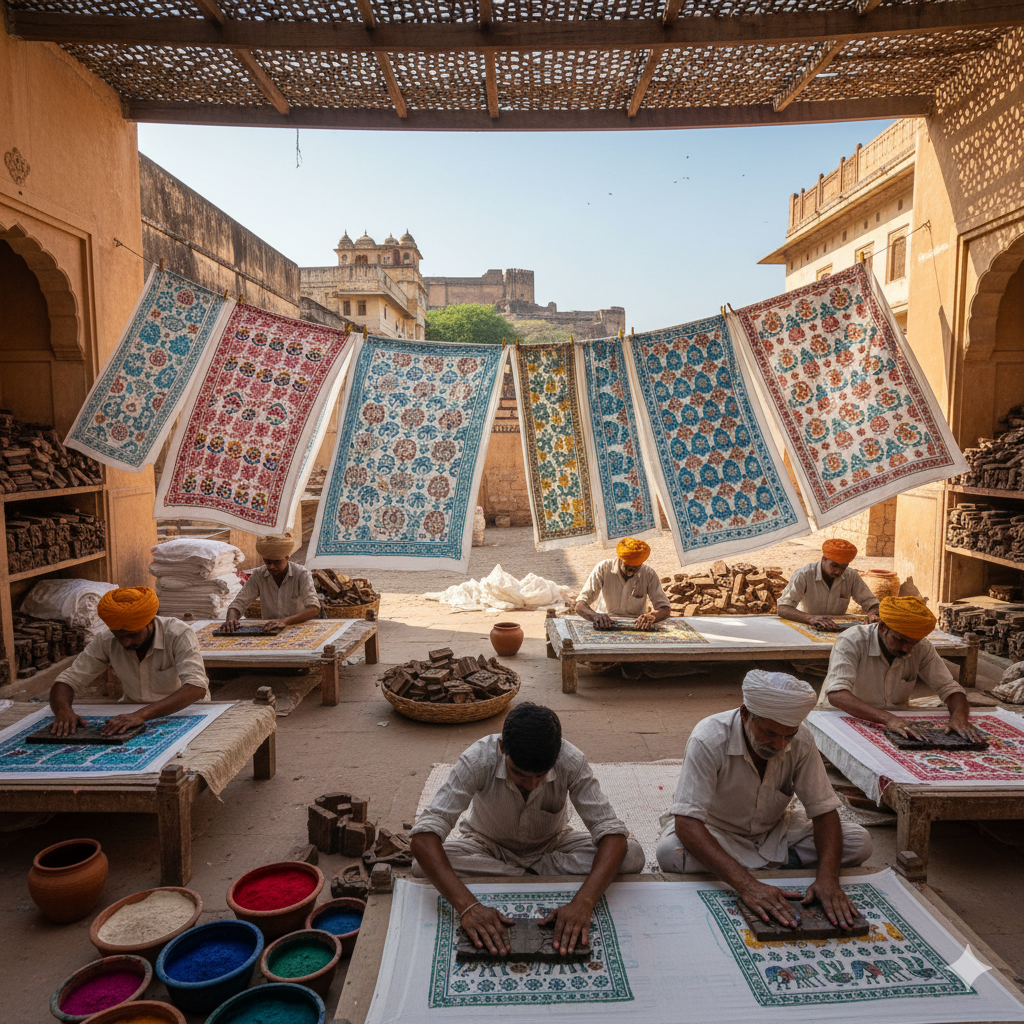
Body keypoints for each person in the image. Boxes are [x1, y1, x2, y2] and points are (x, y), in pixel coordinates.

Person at [409, 702, 645, 957]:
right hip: (486, 846)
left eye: (540, 776)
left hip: (552, 844)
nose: (531, 785)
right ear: (502, 748)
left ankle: (523, 871)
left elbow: (612, 834)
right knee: (421, 865)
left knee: (632, 854)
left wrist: (583, 902)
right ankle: (530, 871)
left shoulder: (571, 760)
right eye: (520, 774)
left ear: (555, 757)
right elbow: (423, 837)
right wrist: (468, 907)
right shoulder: (477, 759)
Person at [656, 670, 870, 930]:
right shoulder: (708, 738)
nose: (779, 745)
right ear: (746, 714)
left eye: (787, 735)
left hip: (774, 831)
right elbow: (687, 823)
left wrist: (828, 880)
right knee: (671, 854)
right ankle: (768, 870)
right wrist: (748, 886)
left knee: (860, 842)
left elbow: (824, 810)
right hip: (718, 832)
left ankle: (756, 867)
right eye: (769, 733)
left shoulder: (801, 741)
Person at [48, 586, 209, 737]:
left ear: (150, 621)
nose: (125, 642)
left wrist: (141, 715)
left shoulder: (178, 634)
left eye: (132, 635)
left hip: (184, 710)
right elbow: (67, 681)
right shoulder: (107, 640)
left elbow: (196, 688)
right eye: (119, 636)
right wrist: (63, 710)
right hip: (133, 712)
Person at [819, 595, 978, 739]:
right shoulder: (851, 641)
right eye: (900, 640)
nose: (907, 649)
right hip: (843, 715)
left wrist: (959, 717)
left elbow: (950, 689)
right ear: (882, 627)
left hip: (895, 720)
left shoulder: (921, 647)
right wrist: (887, 718)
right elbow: (837, 695)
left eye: (913, 643)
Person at [223, 533, 320, 632]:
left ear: (287, 558)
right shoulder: (258, 575)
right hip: (269, 629)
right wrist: (231, 619)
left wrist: (286, 621)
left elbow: (313, 608)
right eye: (268, 562)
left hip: (298, 628)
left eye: (277, 562)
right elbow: (239, 603)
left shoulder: (301, 574)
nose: (271, 566)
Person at [777, 539, 880, 631]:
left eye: (843, 567)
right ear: (824, 559)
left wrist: (872, 613)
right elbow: (783, 608)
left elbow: (870, 602)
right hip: (804, 625)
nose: (838, 571)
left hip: (836, 627)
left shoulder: (851, 576)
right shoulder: (803, 574)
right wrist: (809, 618)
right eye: (834, 566)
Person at [575, 537, 670, 630]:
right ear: (620, 559)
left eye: (636, 567)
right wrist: (595, 616)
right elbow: (580, 606)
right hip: (605, 624)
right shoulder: (603, 568)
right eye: (628, 566)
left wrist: (652, 616)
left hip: (636, 626)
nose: (632, 570)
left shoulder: (649, 574)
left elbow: (665, 609)